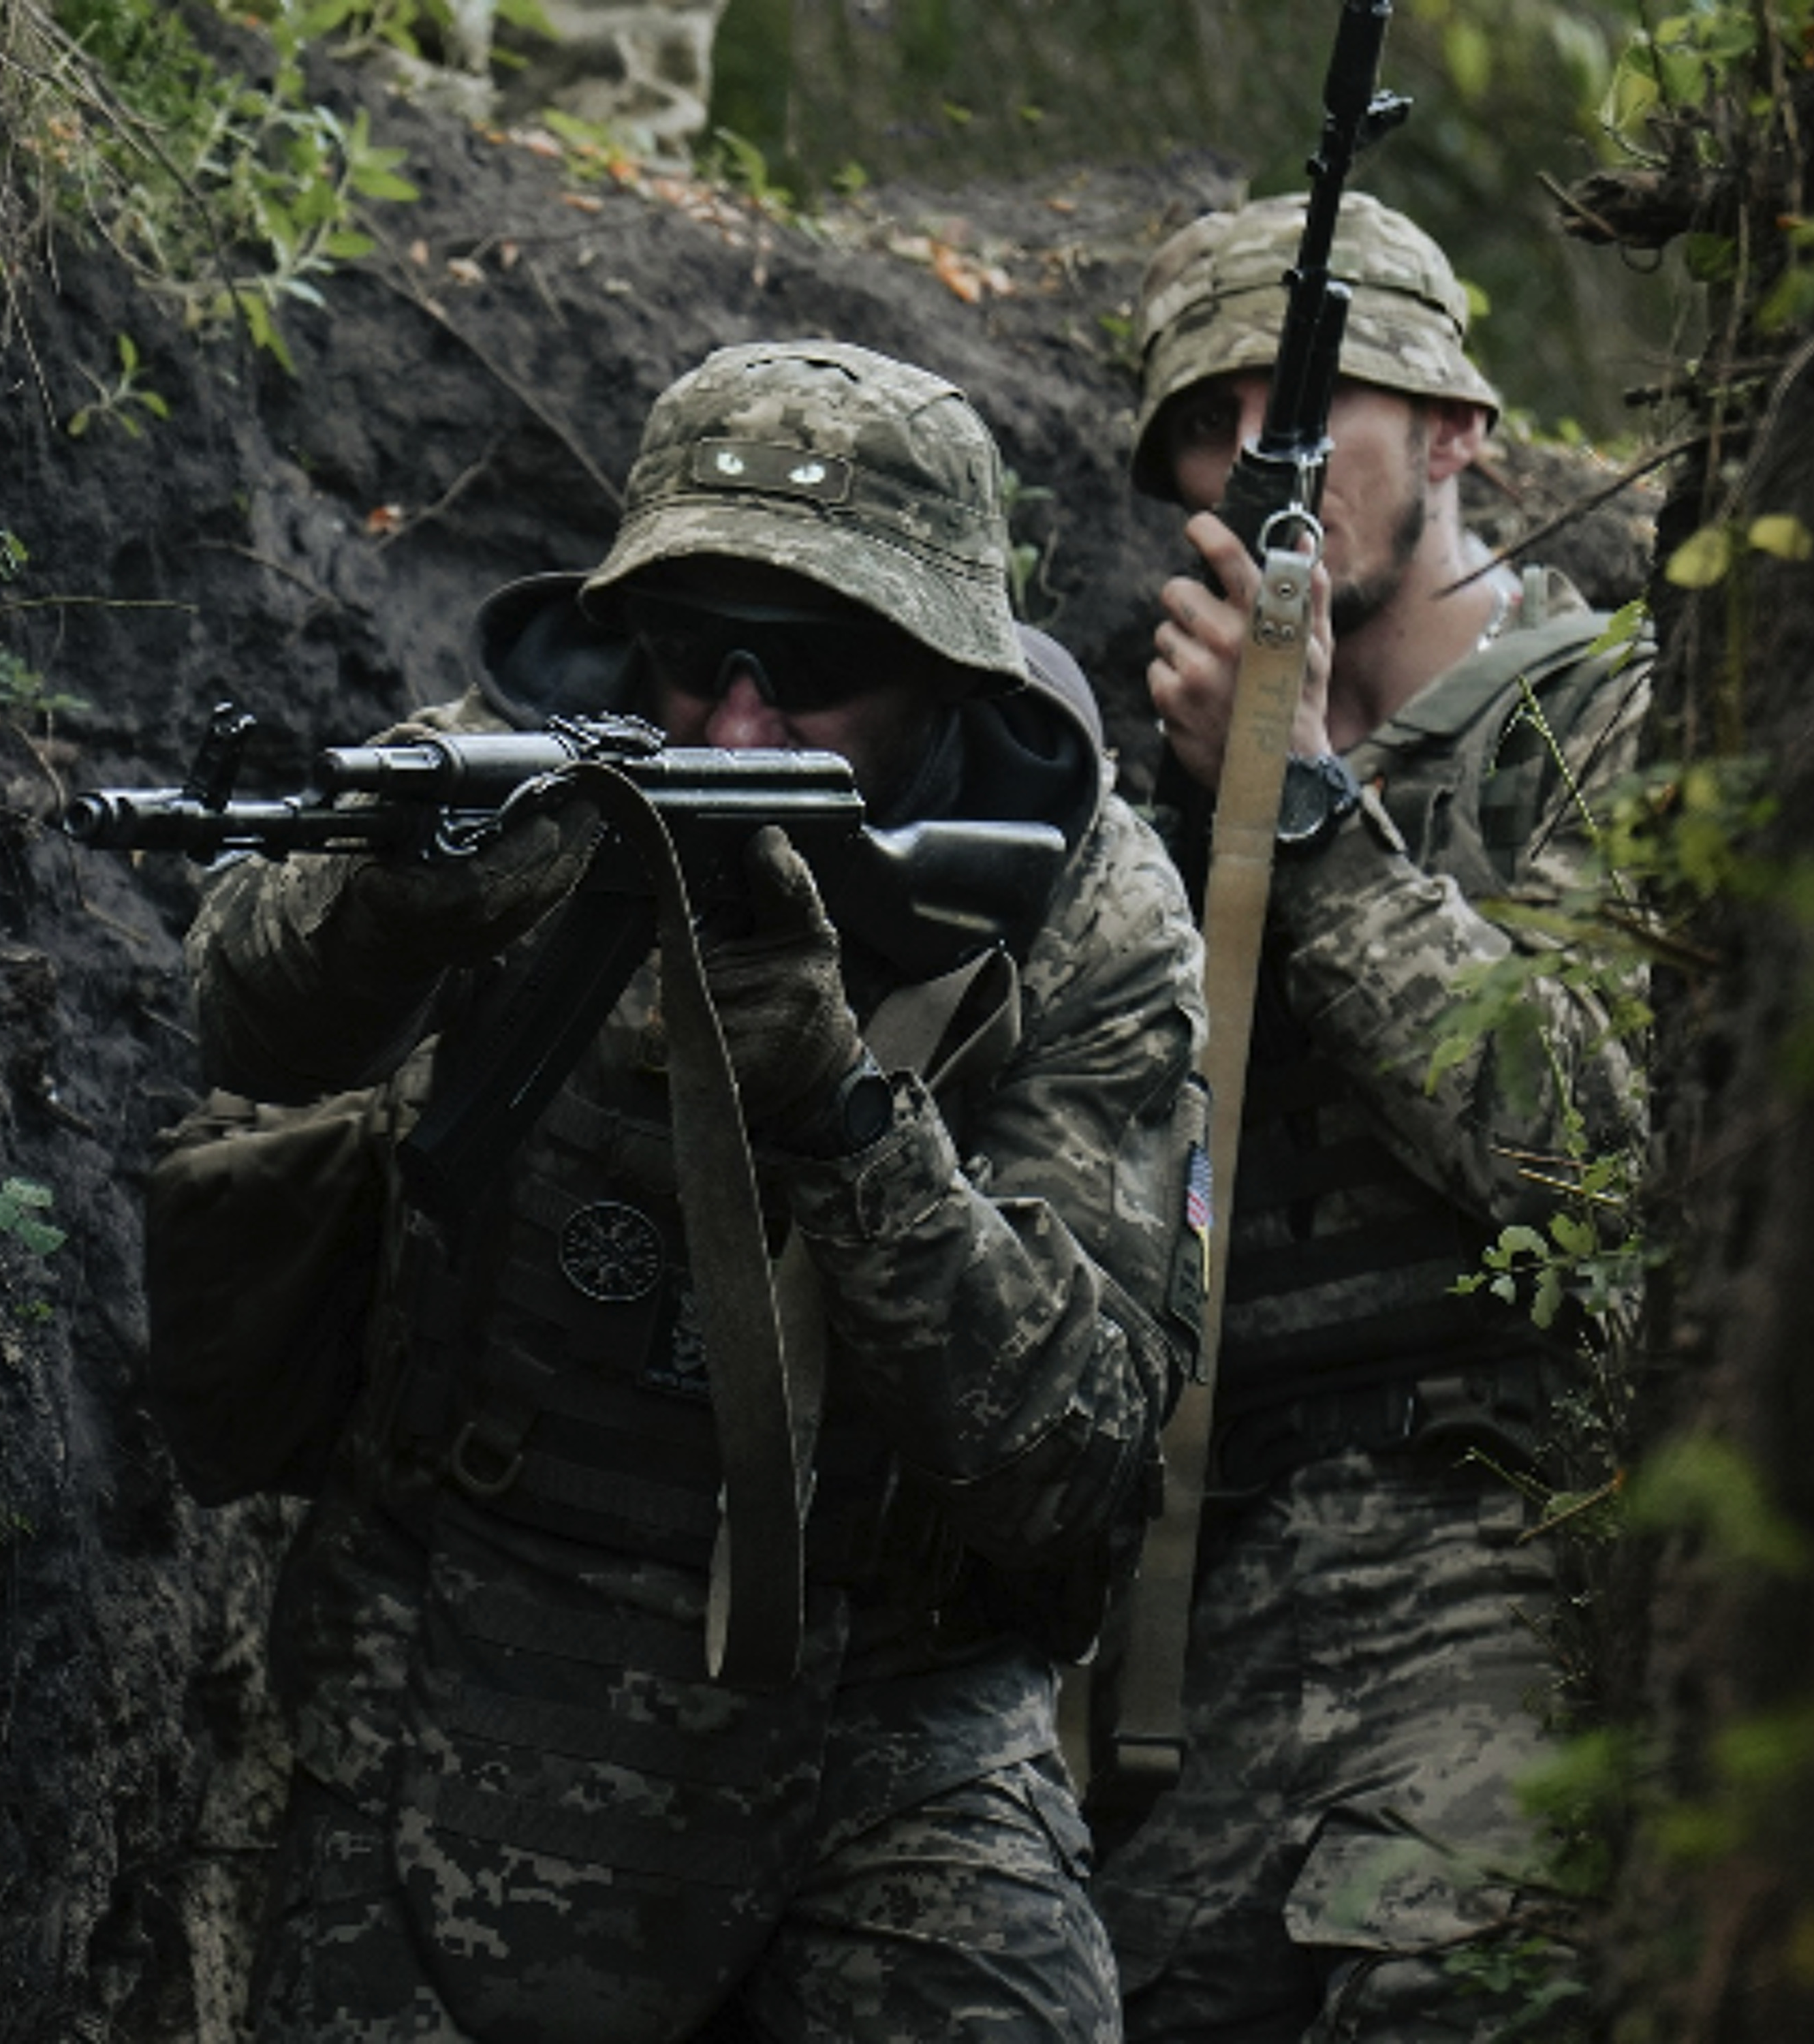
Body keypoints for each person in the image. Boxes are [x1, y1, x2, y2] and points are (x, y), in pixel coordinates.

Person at [186, 338, 1209, 2042]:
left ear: (950, 674)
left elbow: (1079, 1462)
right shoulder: (517, 763)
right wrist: (401, 909)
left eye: (812, 670)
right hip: (464, 1646)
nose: (735, 724)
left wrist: (839, 1106)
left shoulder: (1085, 916)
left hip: (884, 1725)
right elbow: (240, 1010)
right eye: (689, 656)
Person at [1085, 192, 1651, 2040]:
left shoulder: (1606, 718)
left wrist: (1306, 805)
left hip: (1502, 1534)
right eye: (1212, 424)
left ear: (1461, 432)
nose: (1262, 464)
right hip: (1200, 1579)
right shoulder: (1134, 773)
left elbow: (1594, 1149)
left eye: (1314, 412)